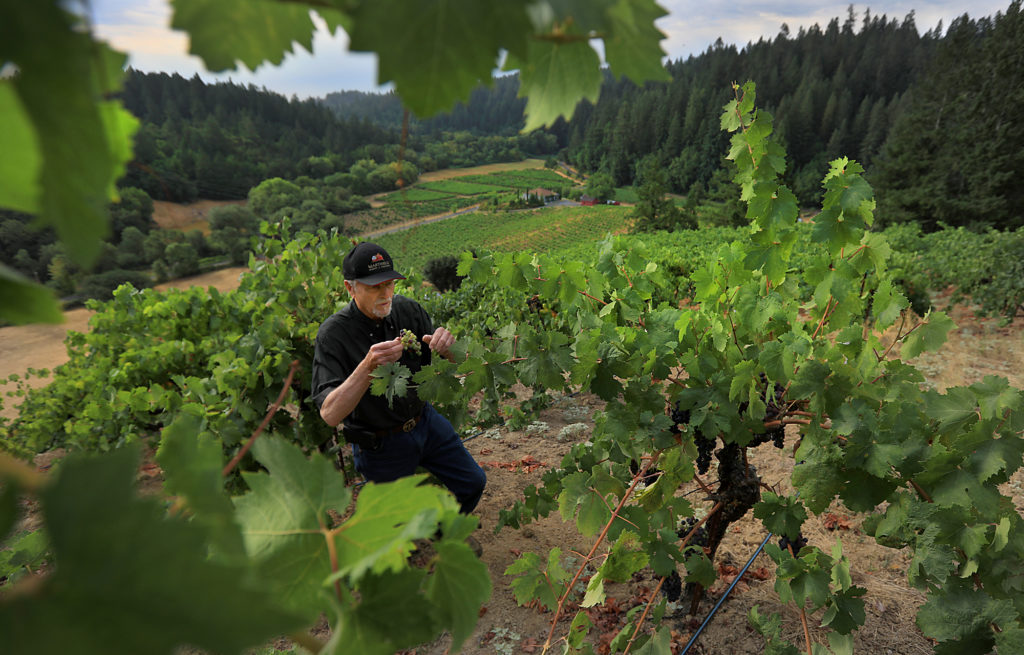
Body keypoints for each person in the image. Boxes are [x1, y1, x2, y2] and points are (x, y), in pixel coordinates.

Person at [311, 242, 487, 516]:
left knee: (473, 482)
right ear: (350, 288)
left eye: (389, 284)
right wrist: (367, 367)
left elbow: (461, 360)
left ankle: (444, 532)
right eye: (373, 287)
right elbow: (330, 414)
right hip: (380, 445)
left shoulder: (408, 310)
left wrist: (449, 348)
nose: (385, 294)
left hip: (424, 422)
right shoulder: (333, 335)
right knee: (397, 522)